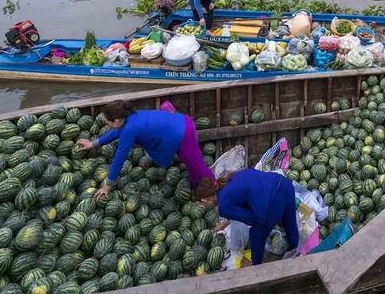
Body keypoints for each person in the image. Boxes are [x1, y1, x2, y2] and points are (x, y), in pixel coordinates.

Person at [76, 100, 215, 200]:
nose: (107, 125)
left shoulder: (130, 128)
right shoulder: (131, 116)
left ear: (117, 121)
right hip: (178, 125)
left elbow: (119, 158)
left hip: (184, 133)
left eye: (108, 123)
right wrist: (93, 144)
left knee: (199, 168)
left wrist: (107, 185)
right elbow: (116, 133)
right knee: (192, 165)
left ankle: (215, 193)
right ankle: (195, 187)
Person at [194, 169, 299, 266]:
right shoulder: (229, 179)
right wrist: (223, 224)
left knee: (256, 233)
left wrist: (223, 212)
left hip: (271, 203)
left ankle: (254, 265)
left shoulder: (223, 206)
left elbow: (252, 220)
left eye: (203, 204)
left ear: (205, 200)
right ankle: (296, 249)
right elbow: (238, 202)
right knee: (289, 222)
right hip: (284, 184)